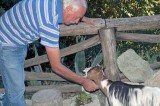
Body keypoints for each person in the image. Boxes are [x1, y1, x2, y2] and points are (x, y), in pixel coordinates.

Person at [0, 0, 99, 106]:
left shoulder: (58, 3)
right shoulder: (49, 23)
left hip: (15, 35)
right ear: (68, 9)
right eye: (77, 17)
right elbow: (56, 66)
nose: (77, 21)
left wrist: (85, 18)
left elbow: (73, 9)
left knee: (12, 86)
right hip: (7, 44)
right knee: (16, 90)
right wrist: (83, 81)